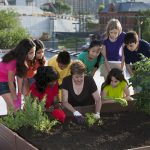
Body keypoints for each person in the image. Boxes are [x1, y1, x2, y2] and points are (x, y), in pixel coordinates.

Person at [0, 38, 36, 111]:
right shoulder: (13, 61)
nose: (33, 55)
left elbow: (20, 77)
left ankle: (9, 122)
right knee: (16, 109)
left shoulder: (22, 59)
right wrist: (15, 99)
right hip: (2, 82)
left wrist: (19, 94)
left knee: (11, 111)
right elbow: (10, 82)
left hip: (10, 81)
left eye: (34, 52)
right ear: (24, 52)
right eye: (30, 53)